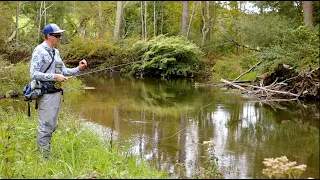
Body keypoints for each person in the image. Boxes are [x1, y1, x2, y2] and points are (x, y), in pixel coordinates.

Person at [30, 23, 88, 158]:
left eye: (60, 35)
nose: (60, 38)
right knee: (45, 125)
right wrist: (54, 76)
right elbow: (33, 74)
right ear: (48, 36)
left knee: (52, 125)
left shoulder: (56, 52)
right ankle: (43, 158)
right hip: (45, 94)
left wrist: (79, 69)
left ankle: (45, 153)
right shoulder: (39, 50)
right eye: (57, 35)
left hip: (56, 95)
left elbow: (65, 71)